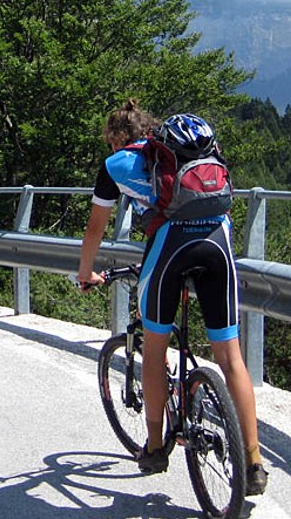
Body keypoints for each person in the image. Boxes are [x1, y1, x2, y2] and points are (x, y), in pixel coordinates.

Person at [76, 99, 268, 496]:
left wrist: (85, 272)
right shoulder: (185, 154)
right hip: (218, 243)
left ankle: (154, 447)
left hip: (171, 249)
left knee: (154, 347)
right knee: (230, 357)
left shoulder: (116, 165)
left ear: (116, 138)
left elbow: (95, 229)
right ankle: (254, 463)